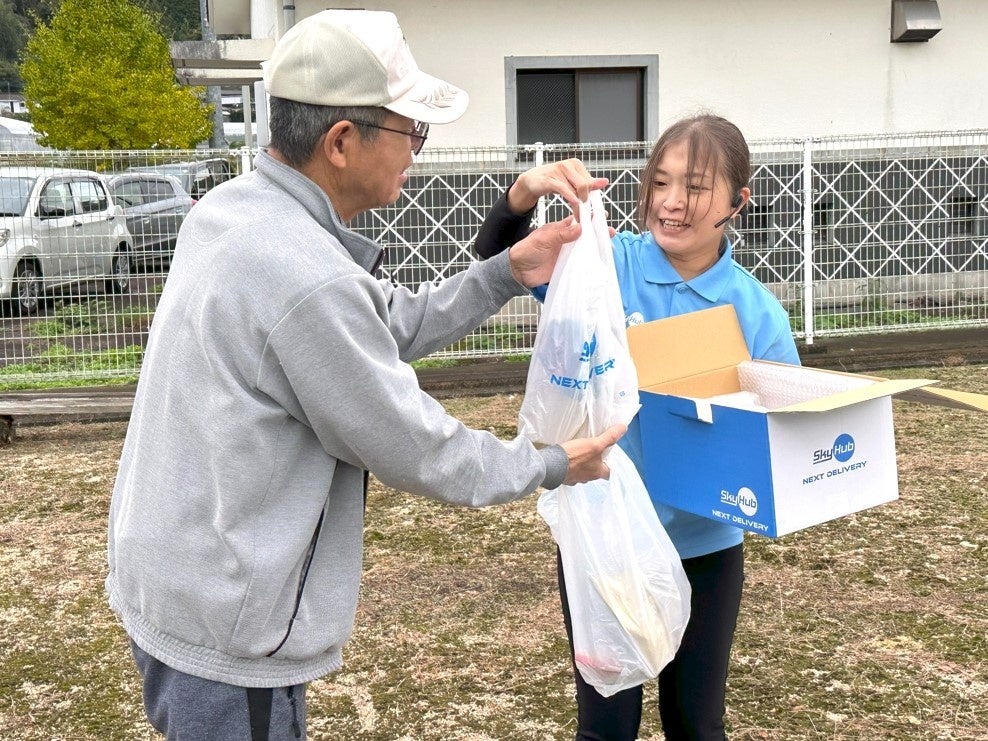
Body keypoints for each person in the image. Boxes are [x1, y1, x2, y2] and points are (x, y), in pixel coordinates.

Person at [105, 10, 625, 740]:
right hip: (226, 624)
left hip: (177, 573)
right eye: (408, 129)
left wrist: (507, 270)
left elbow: (382, 324)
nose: (416, 150)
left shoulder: (234, 211)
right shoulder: (303, 276)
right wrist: (551, 463)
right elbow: (419, 446)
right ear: (343, 142)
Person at [474, 114, 801, 740]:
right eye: (660, 182)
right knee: (604, 727)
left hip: (707, 549)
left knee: (696, 724)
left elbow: (783, 437)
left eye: (697, 187)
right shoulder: (606, 267)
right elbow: (494, 261)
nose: (672, 203)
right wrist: (521, 196)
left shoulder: (754, 311)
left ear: (739, 200)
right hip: (604, 542)